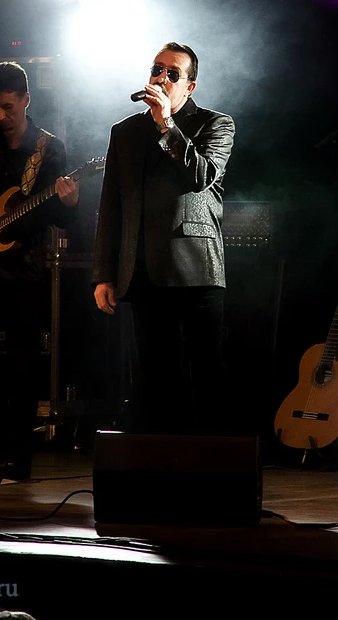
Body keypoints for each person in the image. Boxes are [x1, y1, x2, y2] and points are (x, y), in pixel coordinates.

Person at [92, 42, 235, 433]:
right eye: (158, 69)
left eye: (174, 73)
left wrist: (167, 125)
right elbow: (111, 205)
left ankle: (211, 456)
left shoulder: (215, 124)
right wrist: (104, 273)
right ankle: (163, 458)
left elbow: (200, 177)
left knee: (206, 370)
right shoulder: (124, 132)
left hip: (195, 268)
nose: (162, 77)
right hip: (140, 268)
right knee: (156, 375)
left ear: (189, 87)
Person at [0, 61, 79, 478]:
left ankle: (18, 454)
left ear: (26, 99)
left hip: (26, 268)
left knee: (24, 362)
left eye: (8, 106)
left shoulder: (49, 149)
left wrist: (70, 202)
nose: (1, 116)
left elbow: (63, 216)